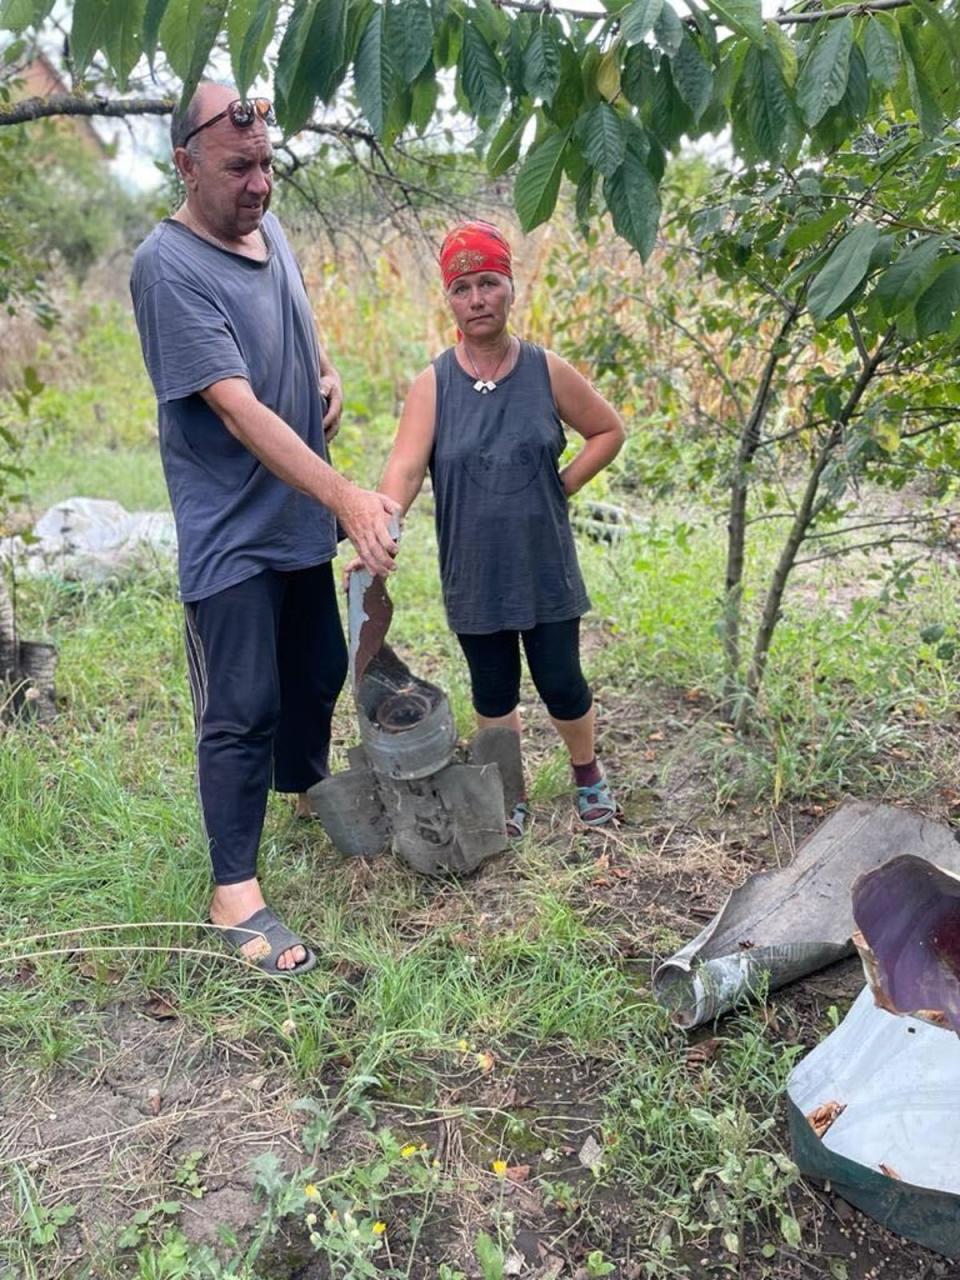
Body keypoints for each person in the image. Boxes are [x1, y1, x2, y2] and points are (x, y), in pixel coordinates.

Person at [130, 83, 400, 977]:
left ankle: (300, 792)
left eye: (268, 165)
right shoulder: (167, 268)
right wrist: (351, 499)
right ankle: (232, 892)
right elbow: (239, 411)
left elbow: (293, 304)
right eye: (239, 169)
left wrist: (323, 368)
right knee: (240, 708)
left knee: (317, 669)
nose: (259, 185)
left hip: (290, 516)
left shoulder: (263, 225)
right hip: (232, 532)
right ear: (186, 164)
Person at [373, 220, 625, 834]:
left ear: (511, 288)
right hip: (474, 566)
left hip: (543, 561)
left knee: (562, 679)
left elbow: (608, 430)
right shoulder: (433, 385)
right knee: (493, 691)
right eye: (463, 288)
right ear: (449, 299)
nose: (477, 298)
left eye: (489, 282)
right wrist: (381, 525)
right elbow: (405, 468)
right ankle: (508, 791)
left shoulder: (546, 370)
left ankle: (586, 772)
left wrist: (560, 486)